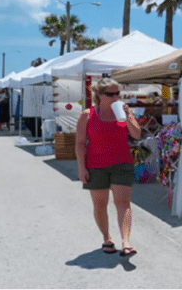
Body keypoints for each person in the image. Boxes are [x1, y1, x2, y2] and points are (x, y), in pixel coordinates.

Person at [75, 78, 141, 257]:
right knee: (99, 204)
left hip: (122, 163)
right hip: (96, 165)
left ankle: (126, 242)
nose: (116, 97)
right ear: (100, 96)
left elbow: (136, 134)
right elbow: (80, 143)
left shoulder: (123, 113)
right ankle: (107, 238)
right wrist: (82, 168)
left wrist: (127, 117)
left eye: (118, 93)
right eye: (111, 94)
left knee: (123, 203)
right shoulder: (87, 115)